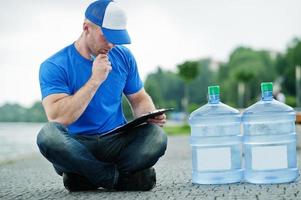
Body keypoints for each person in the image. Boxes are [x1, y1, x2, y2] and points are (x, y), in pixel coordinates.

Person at [37, 0, 167, 192]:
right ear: (86, 28)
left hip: (115, 142)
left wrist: (150, 114)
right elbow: (57, 118)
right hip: (77, 145)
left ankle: (86, 176)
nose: (111, 44)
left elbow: (139, 98)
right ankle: (116, 179)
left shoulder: (123, 56)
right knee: (47, 136)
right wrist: (95, 80)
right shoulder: (54, 65)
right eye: (106, 37)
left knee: (157, 137)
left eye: (116, 38)